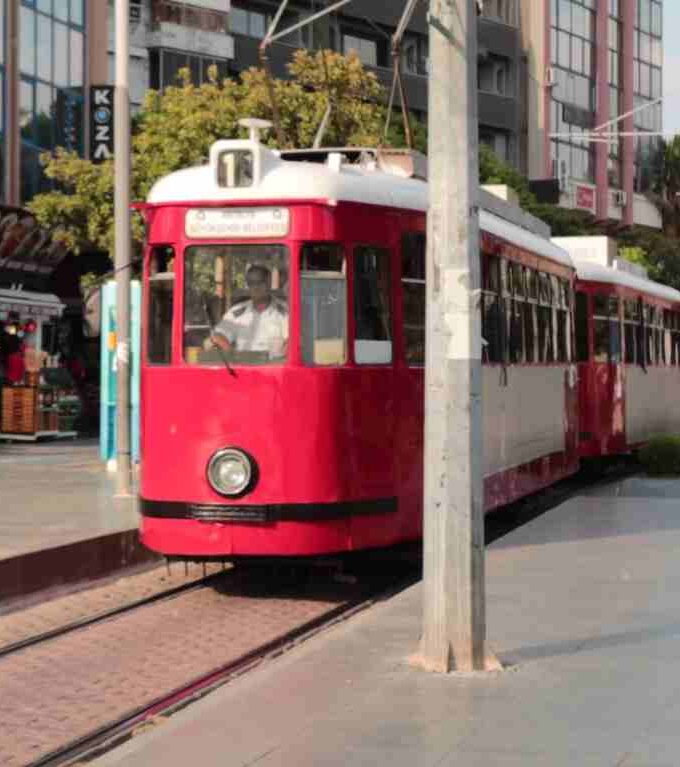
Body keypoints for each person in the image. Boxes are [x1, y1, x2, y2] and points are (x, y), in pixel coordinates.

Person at [209, 265, 288, 359]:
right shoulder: (237, 312)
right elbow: (218, 335)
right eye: (251, 283)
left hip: (273, 365)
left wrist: (281, 357)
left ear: (269, 282)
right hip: (244, 364)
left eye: (260, 282)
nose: (255, 287)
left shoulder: (285, 310)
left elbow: (292, 340)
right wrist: (232, 356)